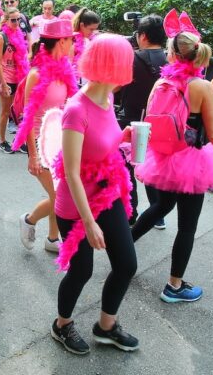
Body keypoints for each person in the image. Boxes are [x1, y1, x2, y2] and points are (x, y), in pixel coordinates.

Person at [134, 11, 213, 303]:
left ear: (172, 54)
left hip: (163, 156)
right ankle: (174, 286)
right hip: (191, 161)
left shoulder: (161, 82)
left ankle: (123, 249)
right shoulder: (202, 87)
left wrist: (141, 155)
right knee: (187, 226)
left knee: (161, 206)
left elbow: (148, 120)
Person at [50, 34, 138, 356]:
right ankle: (62, 324)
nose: (129, 67)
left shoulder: (108, 98)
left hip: (106, 194)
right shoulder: (76, 110)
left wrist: (124, 137)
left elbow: (101, 144)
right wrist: (88, 223)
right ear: (112, 65)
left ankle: (106, 326)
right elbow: (71, 171)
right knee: (81, 270)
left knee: (126, 264)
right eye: (126, 61)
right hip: (76, 206)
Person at [17, 19, 78, 254]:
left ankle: (53, 239)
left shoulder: (65, 70)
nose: (74, 44)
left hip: (60, 142)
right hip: (40, 144)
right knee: (60, 196)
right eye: (71, 40)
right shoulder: (36, 74)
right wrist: (32, 156)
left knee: (57, 192)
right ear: (61, 42)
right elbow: (28, 118)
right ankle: (29, 220)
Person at [116, 14, 166, 226]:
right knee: (151, 166)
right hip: (157, 122)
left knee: (127, 168)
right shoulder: (169, 59)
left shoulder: (132, 58)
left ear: (143, 36)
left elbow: (116, 85)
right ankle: (157, 214)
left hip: (131, 120)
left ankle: (131, 213)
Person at [0, 7, 29, 154]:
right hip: (7, 79)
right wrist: (3, 84)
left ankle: (19, 141)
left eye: (18, 19)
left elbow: (23, 58)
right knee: (5, 112)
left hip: (19, 78)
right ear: (6, 20)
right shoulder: (1, 37)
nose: (16, 22)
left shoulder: (19, 33)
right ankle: (2, 142)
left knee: (19, 111)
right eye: (13, 20)